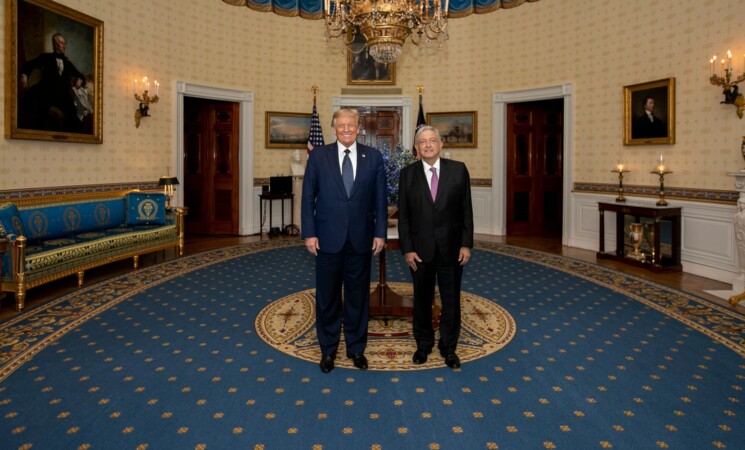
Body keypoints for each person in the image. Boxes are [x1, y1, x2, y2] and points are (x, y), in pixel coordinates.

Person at [301, 108, 388, 373]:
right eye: (341, 125)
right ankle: (328, 350)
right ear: (333, 128)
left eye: (351, 124)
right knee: (327, 298)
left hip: (361, 240)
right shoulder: (318, 157)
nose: (347, 129)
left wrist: (380, 232)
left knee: (357, 297)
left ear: (359, 127)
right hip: (327, 239)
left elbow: (380, 200)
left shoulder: (373, 157)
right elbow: (307, 198)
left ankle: (356, 348)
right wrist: (309, 233)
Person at [397, 125, 474, 369]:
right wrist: (407, 249)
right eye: (423, 142)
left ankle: (449, 347)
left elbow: (466, 211)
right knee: (422, 299)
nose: (428, 145)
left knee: (451, 300)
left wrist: (466, 244)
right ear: (417, 148)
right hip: (420, 251)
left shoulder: (458, 171)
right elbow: (405, 217)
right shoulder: (407, 175)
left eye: (432, 140)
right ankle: (424, 344)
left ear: (441, 145)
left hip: (452, 249)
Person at [18, 33, 88, 133]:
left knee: (72, 114)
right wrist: (24, 75)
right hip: (47, 92)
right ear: (55, 45)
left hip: (62, 95)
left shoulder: (67, 63)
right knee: (37, 111)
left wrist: (80, 80)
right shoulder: (46, 57)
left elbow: (80, 75)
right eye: (61, 43)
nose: (64, 45)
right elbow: (29, 64)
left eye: (64, 43)